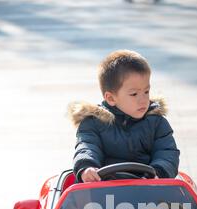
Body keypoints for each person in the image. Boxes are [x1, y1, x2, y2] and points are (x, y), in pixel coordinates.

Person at [68, 49, 180, 182]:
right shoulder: (93, 123)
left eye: (146, 91)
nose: (143, 99)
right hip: (104, 190)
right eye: (134, 94)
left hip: (147, 188)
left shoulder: (156, 123)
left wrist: (159, 172)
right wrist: (87, 166)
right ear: (111, 98)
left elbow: (167, 152)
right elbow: (87, 146)